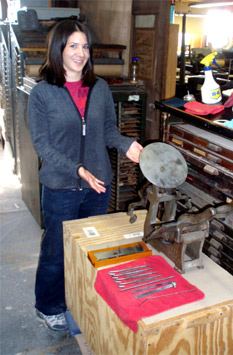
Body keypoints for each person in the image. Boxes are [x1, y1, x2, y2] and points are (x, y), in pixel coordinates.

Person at [28, 19, 143, 331]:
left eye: (85, 46)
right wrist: (77, 170)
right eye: (73, 46)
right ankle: (48, 305)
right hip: (61, 187)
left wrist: (127, 144)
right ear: (59, 49)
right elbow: (42, 145)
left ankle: (79, 300)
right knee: (56, 251)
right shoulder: (42, 94)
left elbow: (107, 130)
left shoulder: (100, 88)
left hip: (98, 187)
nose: (80, 53)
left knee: (91, 250)